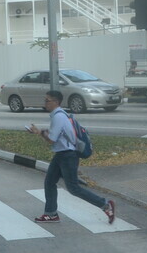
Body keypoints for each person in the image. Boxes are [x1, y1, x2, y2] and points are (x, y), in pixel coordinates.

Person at [27, 90, 115, 224]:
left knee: (74, 188)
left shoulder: (59, 116)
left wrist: (38, 132)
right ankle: (51, 214)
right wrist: (41, 132)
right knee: (49, 182)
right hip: (61, 154)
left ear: (55, 102)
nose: (44, 103)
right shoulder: (60, 115)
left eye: (47, 100)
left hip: (67, 156)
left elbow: (52, 139)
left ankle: (105, 205)